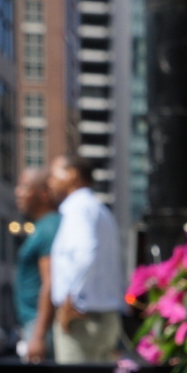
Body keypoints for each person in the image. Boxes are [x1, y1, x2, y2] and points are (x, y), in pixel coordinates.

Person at [45, 154, 127, 362]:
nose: (50, 182)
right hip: (104, 316)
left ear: (72, 175)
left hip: (81, 320)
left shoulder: (78, 208)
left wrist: (67, 304)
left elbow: (85, 254)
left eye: (54, 174)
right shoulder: (98, 209)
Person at [14, 168, 61, 362]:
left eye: (25, 186)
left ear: (44, 193)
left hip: (42, 325)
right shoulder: (44, 226)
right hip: (38, 324)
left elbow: (50, 282)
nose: (18, 192)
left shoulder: (49, 227)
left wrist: (38, 335)